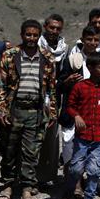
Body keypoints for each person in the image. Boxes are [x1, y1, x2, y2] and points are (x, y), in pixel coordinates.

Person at [0, 20, 58, 199]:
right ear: (22, 35)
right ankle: (7, 185)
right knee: (9, 148)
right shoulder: (10, 55)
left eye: (35, 35)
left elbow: (51, 89)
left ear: (39, 36)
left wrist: (51, 112)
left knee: (31, 152)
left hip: (36, 111)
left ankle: (26, 189)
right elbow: (2, 86)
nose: (31, 38)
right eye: (28, 35)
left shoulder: (47, 58)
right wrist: (2, 109)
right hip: (14, 109)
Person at [58, 52, 100, 199]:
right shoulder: (80, 87)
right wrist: (76, 116)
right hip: (82, 138)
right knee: (75, 169)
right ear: (90, 68)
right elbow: (70, 105)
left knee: (94, 171)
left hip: (99, 137)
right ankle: (68, 195)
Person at [37, 14, 67, 186]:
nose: (54, 31)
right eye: (51, 27)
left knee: (51, 137)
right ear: (45, 27)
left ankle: (47, 175)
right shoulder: (36, 45)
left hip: (55, 97)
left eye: (58, 28)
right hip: (36, 96)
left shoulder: (65, 49)